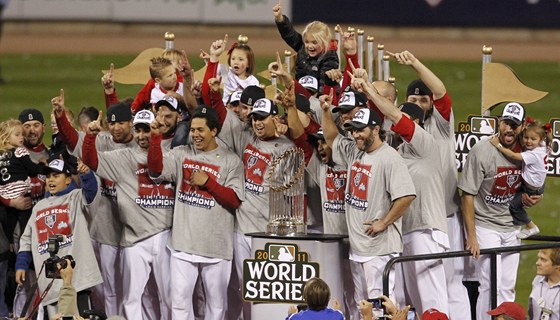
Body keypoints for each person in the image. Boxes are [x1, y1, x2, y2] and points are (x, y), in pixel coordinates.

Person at [391, 50, 470, 319]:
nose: (418, 103)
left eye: (423, 99)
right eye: (412, 99)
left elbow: (441, 91)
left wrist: (414, 64)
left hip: (445, 216)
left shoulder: (441, 124)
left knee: (451, 285)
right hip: (415, 218)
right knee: (418, 289)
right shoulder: (401, 135)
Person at [148, 106, 243, 320]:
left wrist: (208, 182)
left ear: (214, 131)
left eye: (201, 130)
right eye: (192, 130)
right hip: (183, 244)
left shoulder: (230, 161)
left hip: (216, 246)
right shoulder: (182, 153)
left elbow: (234, 200)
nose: (195, 135)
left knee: (216, 307)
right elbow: (155, 169)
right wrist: (155, 139)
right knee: (179, 305)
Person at [82, 109, 174, 320]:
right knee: (132, 297)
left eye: (147, 130)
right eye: (139, 130)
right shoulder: (123, 157)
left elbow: (155, 165)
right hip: (135, 239)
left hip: (165, 237)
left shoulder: (171, 153)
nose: (142, 135)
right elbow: (91, 161)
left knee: (168, 297)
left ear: (156, 129)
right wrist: (90, 137)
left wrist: (156, 139)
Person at [458, 102, 542, 320]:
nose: (508, 129)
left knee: (507, 286)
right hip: (486, 226)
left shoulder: (527, 150)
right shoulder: (482, 151)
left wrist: (534, 196)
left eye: (514, 125)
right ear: (499, 122)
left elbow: (533, 181)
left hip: (512, 227)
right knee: (489, 284)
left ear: (522, 127)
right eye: (506, 123)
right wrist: (472, 236)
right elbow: (467, 194)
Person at [15, 158, 102, 318]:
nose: (51, 180)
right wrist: (21, 264)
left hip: (78, 281)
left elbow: (91, 193)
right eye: (48, 176)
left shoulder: (75, 198)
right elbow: (27, 238)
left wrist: (86, 174)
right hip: (50, 284)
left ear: (68, 179)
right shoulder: (39, 207)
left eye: (56, 175)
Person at [490, 117, 550, 239]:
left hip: (530, 188)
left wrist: (498, 145)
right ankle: (516, 223)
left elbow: (514, 155)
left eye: (533, 139)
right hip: (537, 183)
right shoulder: (543, 145)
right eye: (526, 137)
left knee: (513, 205)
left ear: (540, 139)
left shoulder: (533, 154)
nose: (528, 141)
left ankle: (531, 226)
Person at [273, 0, 339, 95]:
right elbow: (289, 34)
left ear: (324, 42)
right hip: (301, 93)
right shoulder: (302, 48)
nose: (309, 46)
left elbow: (323, 86)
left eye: (314, 42)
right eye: (307, 42)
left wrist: (314, 104)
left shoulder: (330, 57)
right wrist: (280, 18)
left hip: (321, 98)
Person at [0, 119, 45, 246]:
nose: (22, 137)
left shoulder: (1, 155)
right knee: (27, 227)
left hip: (5, 198)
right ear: (6, 137)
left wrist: (9, 201)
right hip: (22, 195)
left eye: (21, 134)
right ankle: (27, 247)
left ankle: (9, 246)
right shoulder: (19, 151)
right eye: (17, 135)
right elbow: (31, 169)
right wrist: (44, 166)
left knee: (9, 226)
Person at [528, 248, 560, 320]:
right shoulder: (537, 280)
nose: (537, 263)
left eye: (543, 260)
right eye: (539, 258)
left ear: (557, 266)